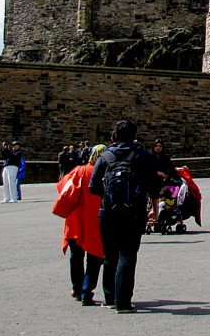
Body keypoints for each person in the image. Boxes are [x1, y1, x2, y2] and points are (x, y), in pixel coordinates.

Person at [89, 119, 159, 313]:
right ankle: (123, 302)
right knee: (127, 255)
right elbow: (154, 185)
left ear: (114, 136)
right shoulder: (143, 155)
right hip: (133, 212)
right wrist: (155, 208)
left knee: (110, 256)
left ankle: (109, 298)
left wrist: (109, 196)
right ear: (134, 136)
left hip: (107, 212)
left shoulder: (105, 156)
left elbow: (93, 187)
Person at [58, 143, 105, 305]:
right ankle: (86, 291)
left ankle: (77, 288)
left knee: (76, 256)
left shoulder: (78, 171)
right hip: (95, 221)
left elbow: (61, 187)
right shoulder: (105, 173)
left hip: (75, 221)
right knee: (94, 258)